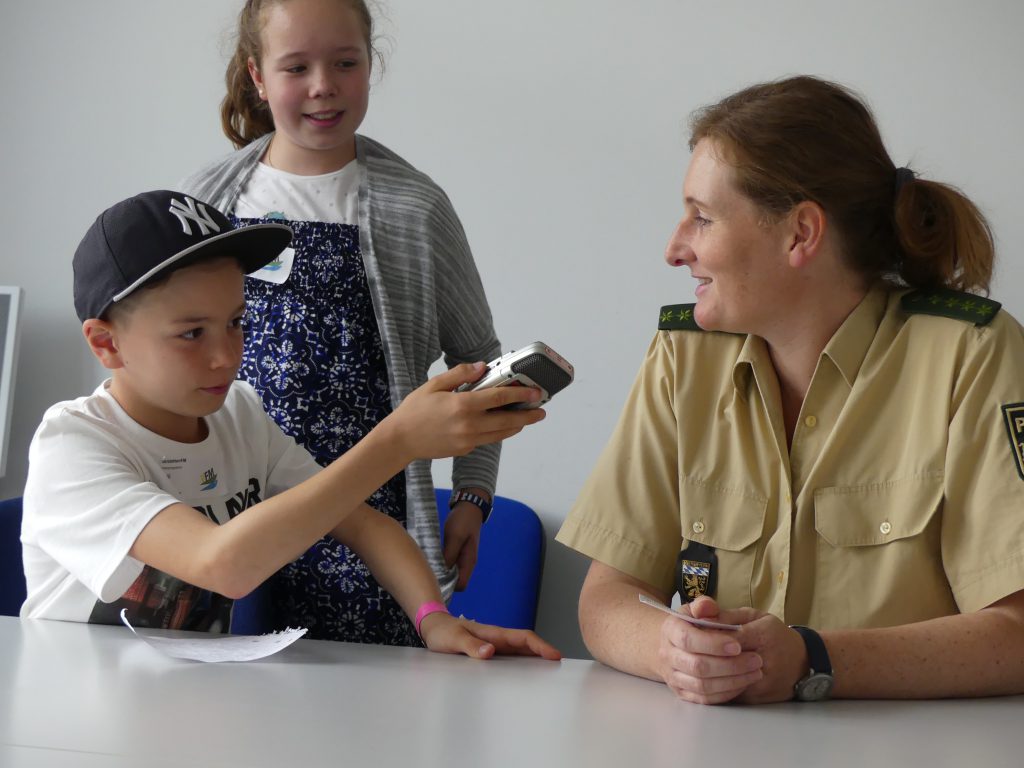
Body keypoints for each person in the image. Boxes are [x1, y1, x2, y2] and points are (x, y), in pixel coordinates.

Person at [556, 75, 1024, 704]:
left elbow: (1016, 633)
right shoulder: (682, 356)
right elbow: (606, 598)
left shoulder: (973, 354)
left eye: (703, 217)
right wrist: (675, 652)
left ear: (801, 233)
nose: (674, 248)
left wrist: (813, 659)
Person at [20, 189, 561, 665]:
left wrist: (432, 619)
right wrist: (397, 440)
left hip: (185, 712)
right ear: (106, 343)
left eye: (236, 323)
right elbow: (222, 564)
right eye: (191, 334)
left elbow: (365, 524)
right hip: (70, 724)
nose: (225, 356)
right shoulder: (73, 445)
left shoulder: (238, 416)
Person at [178, 0, 504, 644]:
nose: (323, 84)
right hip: (228, 516)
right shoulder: (204, 203)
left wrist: (473, 494)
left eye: (345, 63)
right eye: (296, 66)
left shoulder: (416, 206)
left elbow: (481, 359)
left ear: (369, 66)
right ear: (258, 77)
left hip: (370, 536)